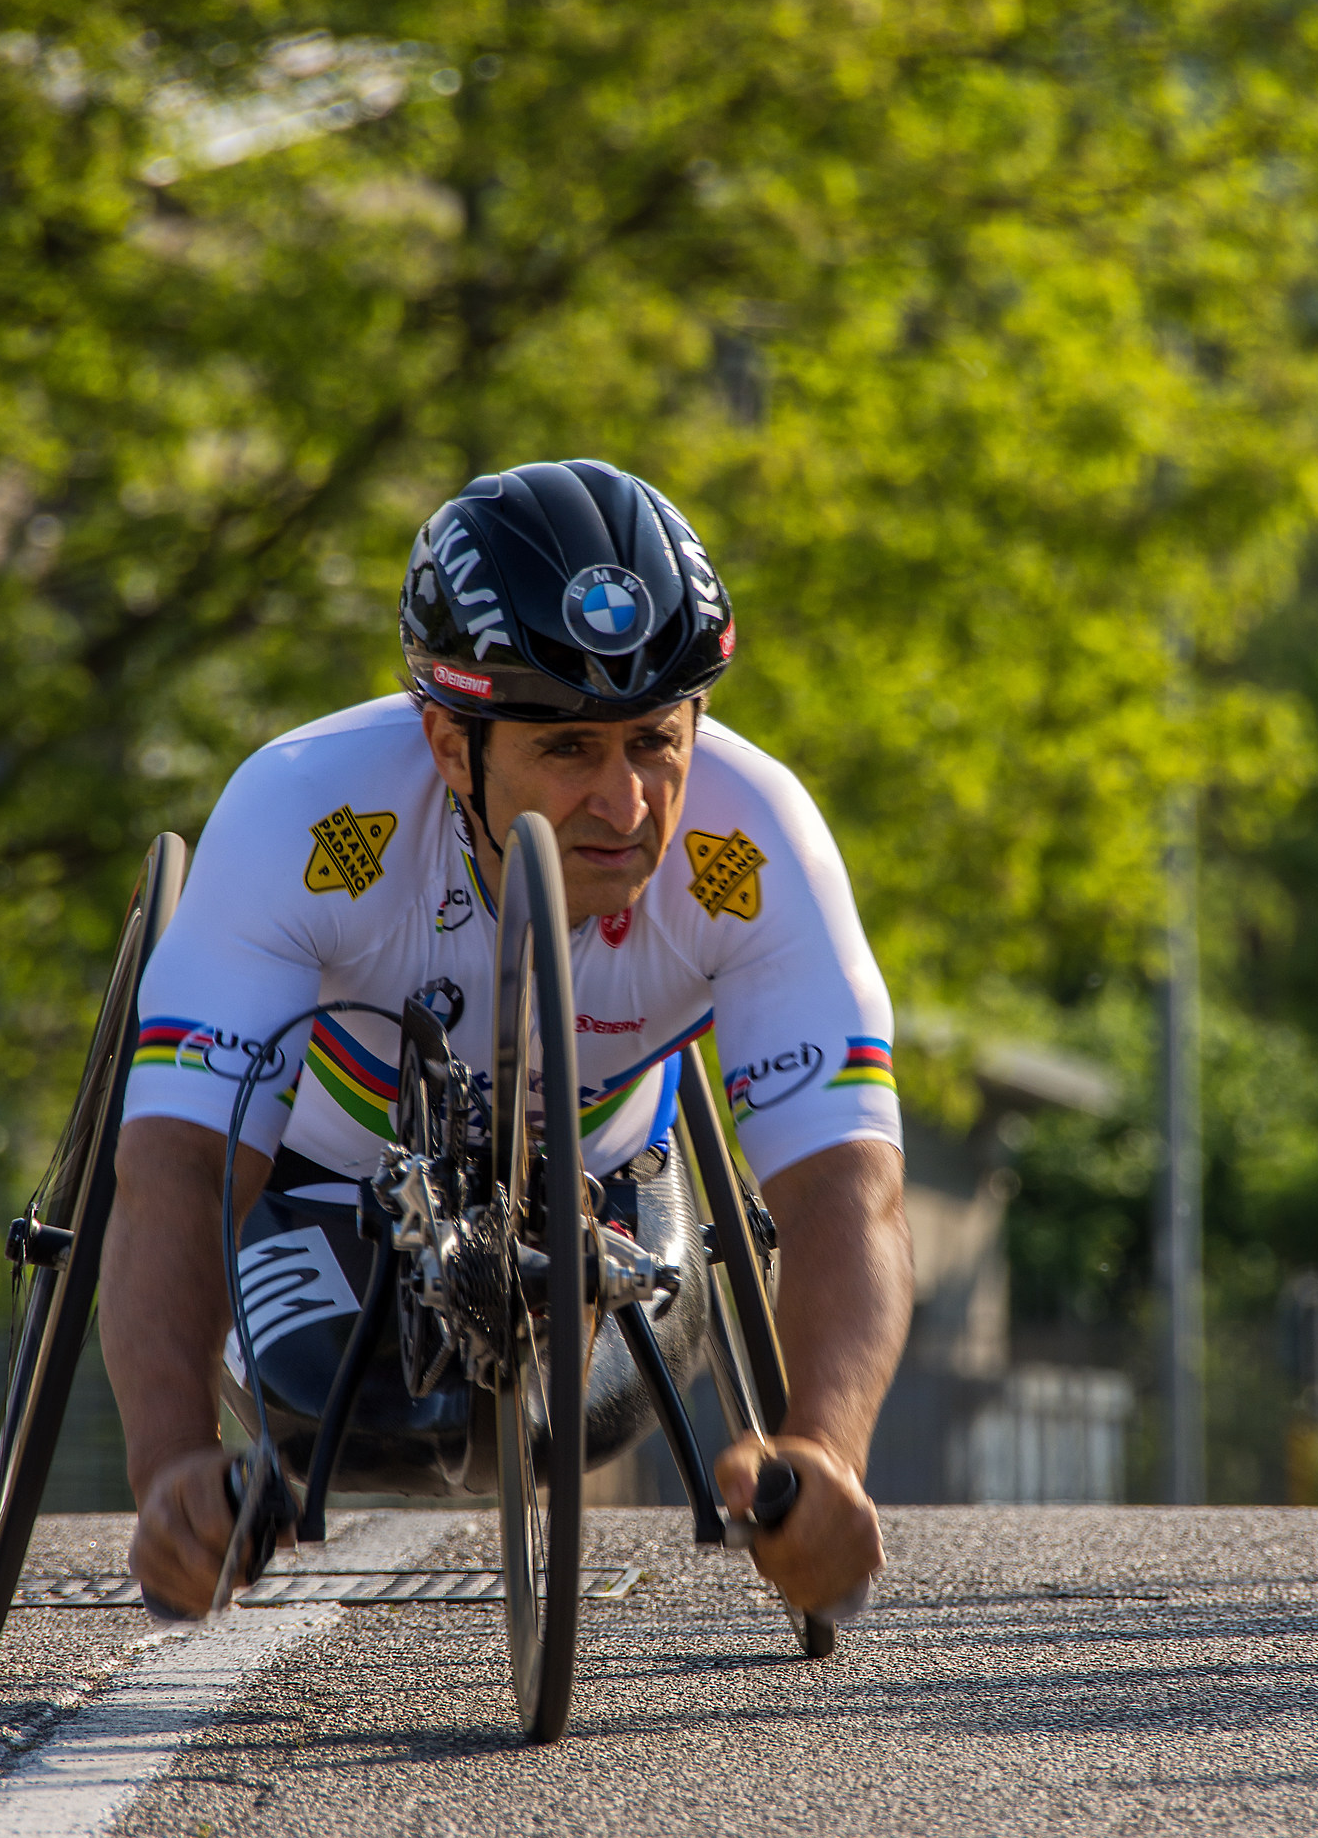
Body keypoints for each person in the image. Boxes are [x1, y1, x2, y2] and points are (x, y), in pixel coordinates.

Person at [104, 458, 914, 1619]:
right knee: (361, 1411)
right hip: (318, 1183)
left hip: (611, 1187)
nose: (626, 807)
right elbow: (177, 1169)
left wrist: (827, 1449)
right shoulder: (303, 810)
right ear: (450, 745)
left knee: (559, 1422)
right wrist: (170, 1468)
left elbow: (849, 1186)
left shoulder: (754, 842)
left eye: (655, 742)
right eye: (568, 750)